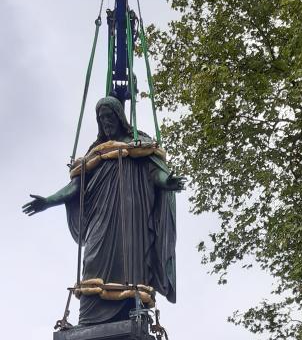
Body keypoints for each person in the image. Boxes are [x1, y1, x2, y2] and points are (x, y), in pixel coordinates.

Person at [23, 96, 184, 326]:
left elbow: (155, 173)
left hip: (132, 215)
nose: (106, 122)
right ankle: (89, 319)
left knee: (131, 260)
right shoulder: (95, 152)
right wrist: (48, 201)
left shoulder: (139, 144)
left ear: (119, 117)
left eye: (109, 117)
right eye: (101, 118)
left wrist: (168, 182)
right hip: (101, 215)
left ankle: (133, 310)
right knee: (92, 259)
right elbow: (76, 186)